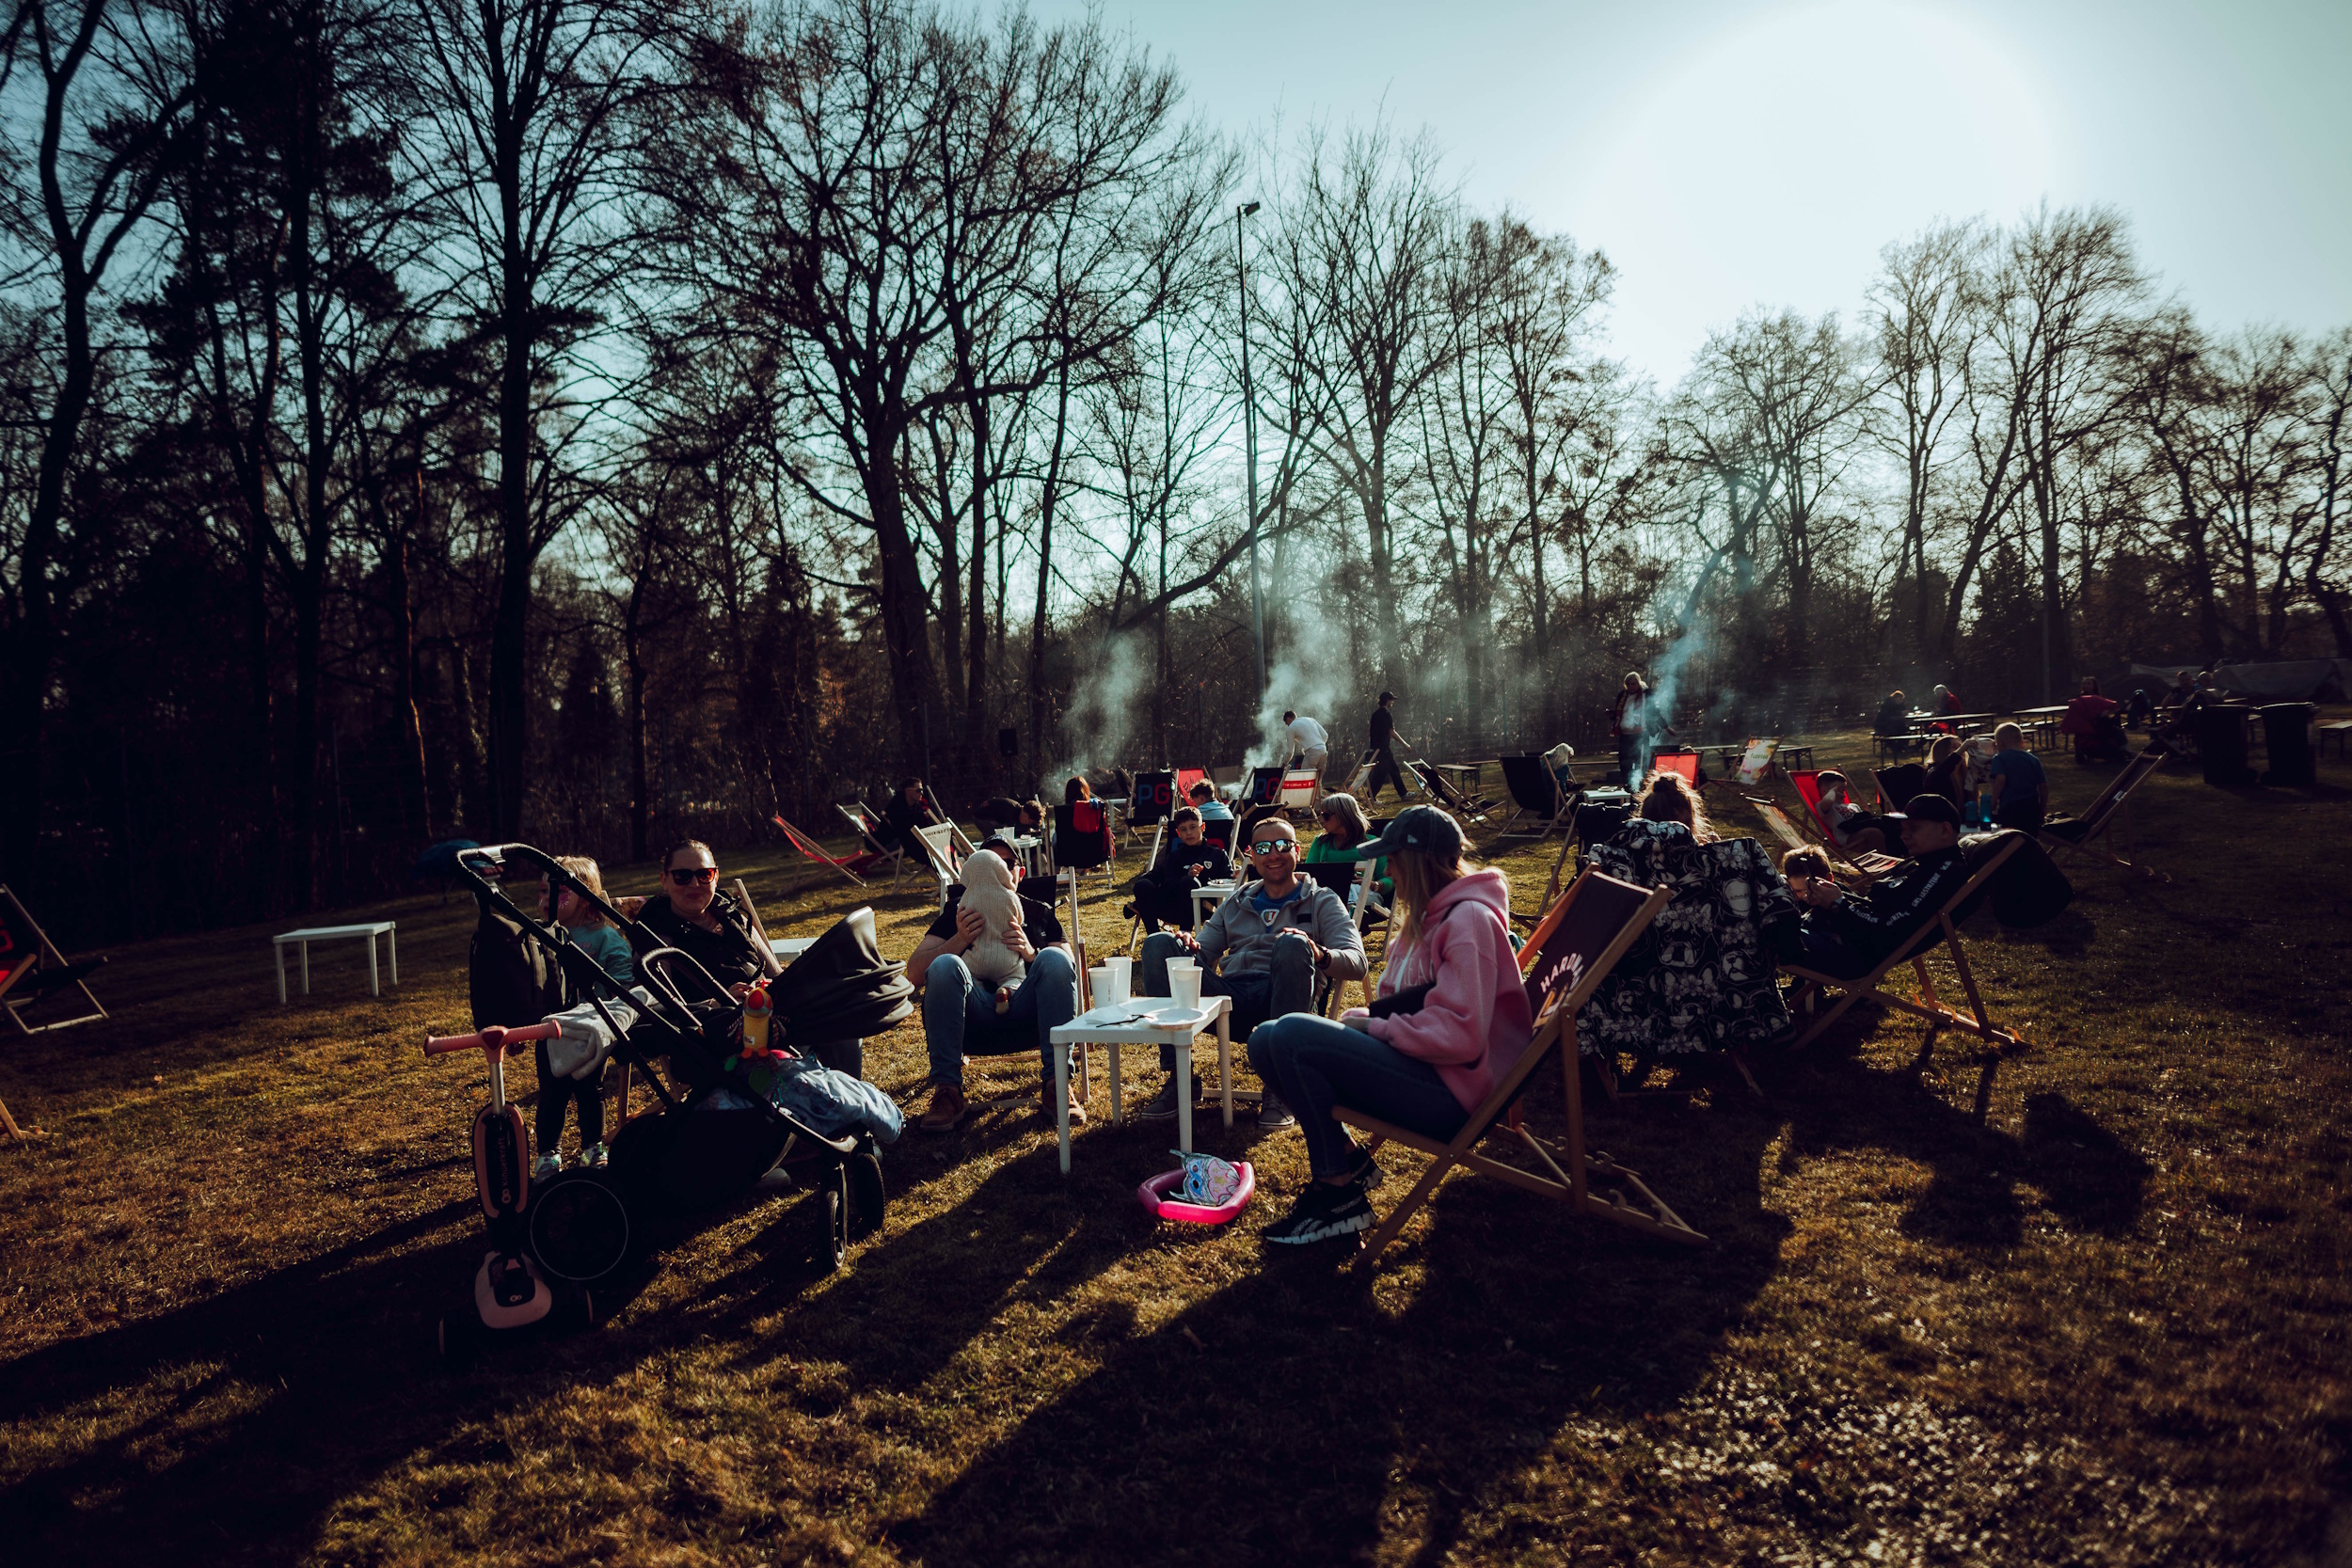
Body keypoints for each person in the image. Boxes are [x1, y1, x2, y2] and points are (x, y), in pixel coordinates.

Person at [1248, 805, 1530, 1245]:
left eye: (1393, 859)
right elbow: (1406, 1006)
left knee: (1289, 1034)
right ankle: (1344, 1164)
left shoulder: (1468, 921)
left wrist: (1372, 1029)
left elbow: (1461, 1033)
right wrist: (1366, 1022)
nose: (1388, 869)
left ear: (1416, 861)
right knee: (1265, 1039)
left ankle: (1338, 1194)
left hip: (1452, 1094)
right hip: (1420, 1070)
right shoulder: (1422, 922)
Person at [1136, 814, 1366, 1128]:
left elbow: (1357, 962)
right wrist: (1187, 945)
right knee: (1159, 944)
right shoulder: (1237, 901)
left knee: (1292, 944)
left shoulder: (1321, 900)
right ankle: (1180, 1080)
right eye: (1264, 847)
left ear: (1297, 851)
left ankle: (1281, 1088)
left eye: (1283, 845)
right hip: (1231, 1001)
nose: (1274, 854)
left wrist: (1319, 953)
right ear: (1251, 856)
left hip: (1287, 999)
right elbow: (1204, 951)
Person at [907, 832, 1082, 1133]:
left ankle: (1057, 1087)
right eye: (989, 862)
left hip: (1029, 1009)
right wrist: (959, 939)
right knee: (945, 964)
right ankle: (947, 1093)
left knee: (1052, 959)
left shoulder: (1039, 911)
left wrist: (1030, 952)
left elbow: (1068, 967)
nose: (998, 868)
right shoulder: (960, 911)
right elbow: (914, 972)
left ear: (1019, 872)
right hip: (972, 1014)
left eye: (1007, 862)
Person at [1788, 794, 1973, 978]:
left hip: (1856, 953)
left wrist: (1839, 905)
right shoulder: (1918, 863)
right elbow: (1874, 907)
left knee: (1765, 933)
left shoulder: (1944, 873)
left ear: (1945, 830)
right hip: (1846, 936)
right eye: (1903, 829)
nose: (1903, 836)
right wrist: (1834, 897)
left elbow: (1891, 931)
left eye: (1913, 828)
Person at [532, 856, 632, 1178]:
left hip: (590, 1027)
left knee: (591, 1089)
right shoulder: (540, 937)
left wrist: (605, 1001)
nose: (546, 899)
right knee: (551, 1093)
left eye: (557, 891)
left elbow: (624, 980)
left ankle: (593, 1147)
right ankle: (548, 1154)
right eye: (543, 891)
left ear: (584, 894)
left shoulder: (604, 938)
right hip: (550, 1029)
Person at [632, 839, 776, 997]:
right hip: (712, 1019)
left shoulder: (736, 919)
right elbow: (655, 1006)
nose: (694, 884)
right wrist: (719, 1003)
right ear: (664, 880)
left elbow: (777, 975)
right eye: (682, 876)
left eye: (705, 874)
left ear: (716, 878)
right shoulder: (656, 938)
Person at [1126, 806, 1232, 932]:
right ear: (1178, 833)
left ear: (1202, 827)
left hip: (1204, 908)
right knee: (1142, 885)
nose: (1188, 833)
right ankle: (1154, 937)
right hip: (1172, 906)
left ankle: (1184, 936)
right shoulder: (1174, 856)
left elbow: (1227, 884)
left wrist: (1233, 878)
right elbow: (1167, 881)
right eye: (1183, 829)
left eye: (1193, 827)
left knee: (1188, 882)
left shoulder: (1217, 855)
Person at [1985, 721, 2048, 832]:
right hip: (2031, 806)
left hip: (2011, 807)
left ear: (1999, 744)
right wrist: (2042, 807)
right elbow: (2044, 786)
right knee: (2030, 837)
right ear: (2022, 743)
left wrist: (1993, 802)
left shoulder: (1999, 759)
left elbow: (2000, 780)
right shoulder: (2033, 759)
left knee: (2011, 839)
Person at [1813, 769, 1888, 856]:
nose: (1843, 795)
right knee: (1874, 833)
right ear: (1825, 791)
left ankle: (1894, 858)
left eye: (1844, 791)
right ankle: (1883, 862)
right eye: (1839, 790)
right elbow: (1829, 800)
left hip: (1861, 832)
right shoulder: (1826, 806)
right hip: (1847, 837)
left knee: (1888, 826)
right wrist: (1833, 791)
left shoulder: (1853, 806)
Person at [1613, 673, 1669, 787]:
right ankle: (1628, 785)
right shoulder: (1623, 696)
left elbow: (1654, 712)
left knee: (1641, 761)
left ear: (1638, 683)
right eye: (1628, 684)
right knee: (1624, 762)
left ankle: (1642, 785)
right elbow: (1621, 713)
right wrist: (1612, 716)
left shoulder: (1646, 694)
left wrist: (1666, 726)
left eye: (1633, 684)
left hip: (1640, 735)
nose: (1631, 686)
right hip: (1625, 735)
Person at [2058, 677, 2125, 764]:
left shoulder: (2097, 697)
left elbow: (2105, 706)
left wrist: (2106, 712)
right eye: (2084, 684)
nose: (2086, 685)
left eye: (2089, 684)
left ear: (2094, 686)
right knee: (2113, 731)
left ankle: (2121, 748)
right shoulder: (2080, 699)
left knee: (2115, 729)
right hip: (2089, 725)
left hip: (2100, 723)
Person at [1365, 691, 1411, 804]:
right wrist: (1405, 744)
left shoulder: (1375, 715)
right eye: (1391, 700)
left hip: (1376, 749)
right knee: (1393, 770)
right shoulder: (1386, 715)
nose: (1392, 702)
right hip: (1384, 749)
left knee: (1380, 774)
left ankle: (1370, 797)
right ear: (1387, 700)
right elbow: (1392, 732)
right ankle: (1403, 794)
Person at [881, 778, 939, 858]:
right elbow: (900, 825)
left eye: (922, 790)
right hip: (891, 844)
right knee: (922, 842)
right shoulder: (896, 806)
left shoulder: (915, 805)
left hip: (906, 840)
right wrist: (920, 817)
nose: (921, 793)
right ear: (908, 791)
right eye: (918, 790)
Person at [1283, 709, 1330, 800]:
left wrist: (1284, 764)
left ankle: (1306, 812)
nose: (1287, 725)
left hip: (1312, 752)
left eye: (1286, 723)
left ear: (1288, 719)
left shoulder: (1291, 728)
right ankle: (1317, 808)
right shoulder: (1310, 720)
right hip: (1323, 749)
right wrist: (1318, 745)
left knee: (1305, 781)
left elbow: (1289, 752)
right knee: (1317, 781)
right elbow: (1325, 735)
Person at [1922, 735, 1970, 814]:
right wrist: (1959, 752)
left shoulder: (1964, 772)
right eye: (1954, 747)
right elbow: (1942, 770)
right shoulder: (1934, 772)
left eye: (1960, 747)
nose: (1962, 751)